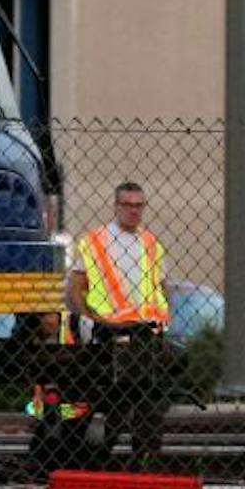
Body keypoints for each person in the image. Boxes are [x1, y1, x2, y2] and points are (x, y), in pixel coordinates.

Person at [65, 181, 177, 464]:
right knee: (131, 394)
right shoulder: (96, 241)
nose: (134, 211)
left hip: (146, 332)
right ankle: (116, 454)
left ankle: (137, 456)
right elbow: (75, 288)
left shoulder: (151, 243)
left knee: (145, 397)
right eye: (127, 205)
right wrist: (89, 320)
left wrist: (164, 320)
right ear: (116, 207)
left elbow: (162, 288)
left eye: (139, 205)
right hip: (109, 331)